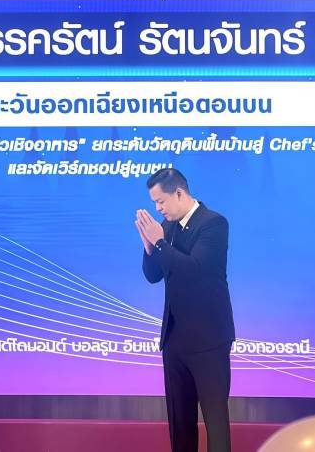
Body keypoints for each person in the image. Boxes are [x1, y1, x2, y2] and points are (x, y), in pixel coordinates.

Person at [134, 168, 234, 452]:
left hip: (209, 340)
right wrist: (149, 247)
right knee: (180, 424)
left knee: (215, 422)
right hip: (175, 339)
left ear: (179, 193)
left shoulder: (213, 223)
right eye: (154, 203)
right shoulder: (166, 228)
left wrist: (159, 242)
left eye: (161, 201)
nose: (158, 208)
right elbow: (153, 275)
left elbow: (194, 271)